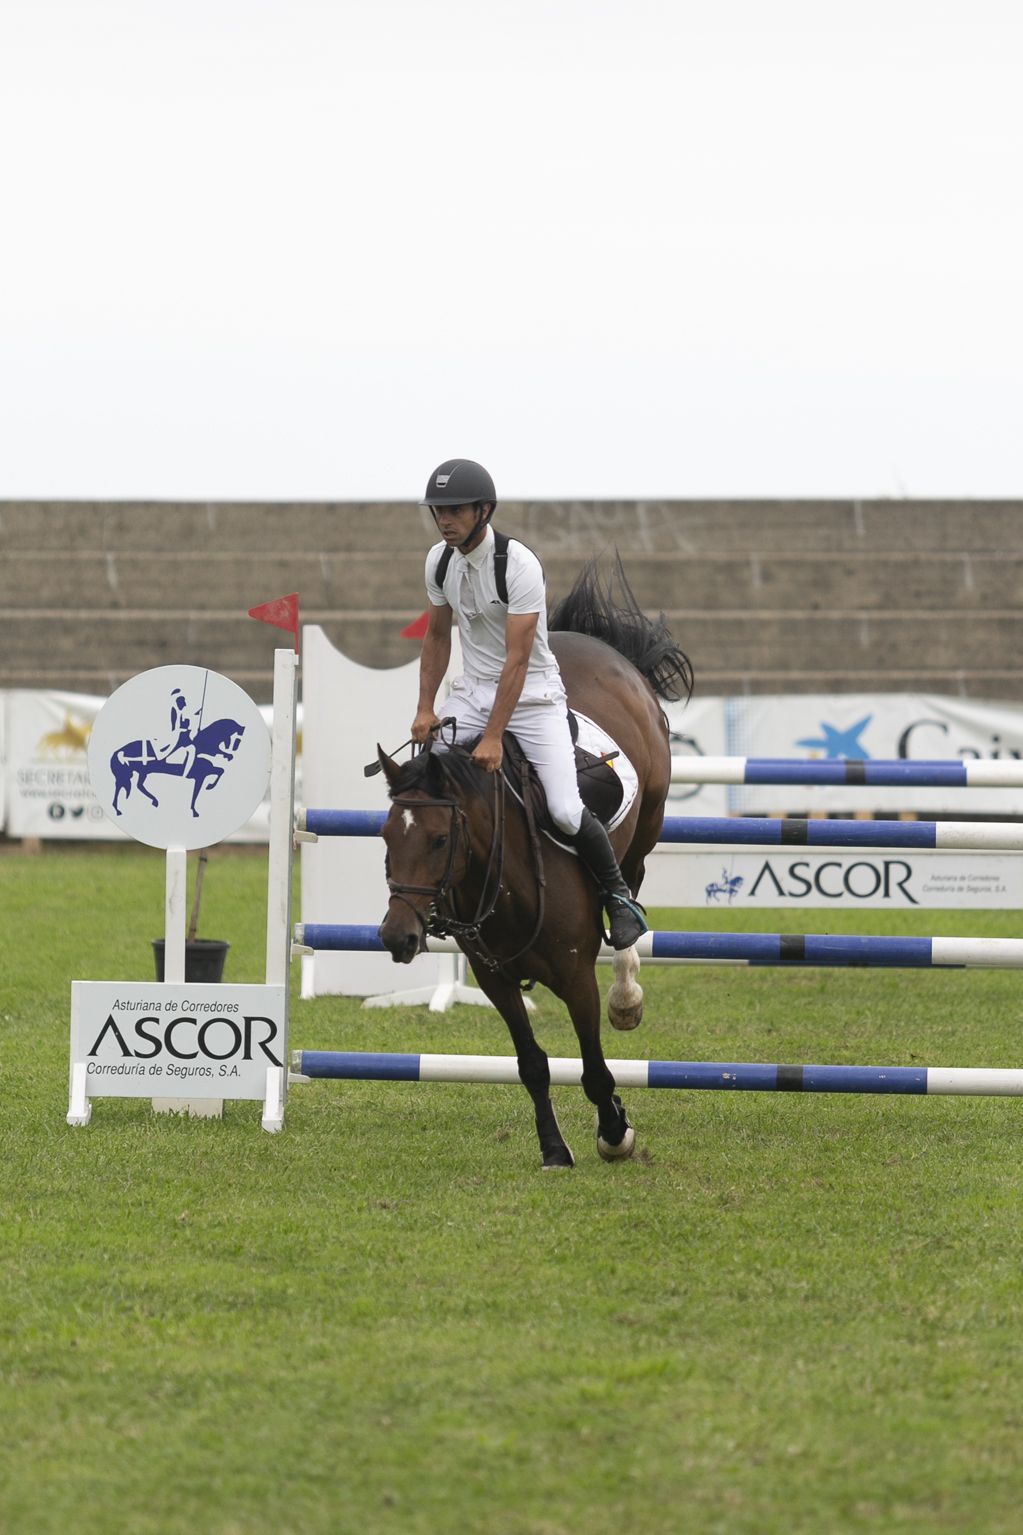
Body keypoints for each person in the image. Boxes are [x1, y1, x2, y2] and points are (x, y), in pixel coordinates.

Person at [411, 457, 647, 950]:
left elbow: (518, 661)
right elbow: (436, 638)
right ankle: (427, 899)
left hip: (534, 697)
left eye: (454, 510)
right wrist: (425, 708)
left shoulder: (518, 565)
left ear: (484, 510)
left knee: (563, 808)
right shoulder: (439, 561)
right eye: (438, 511)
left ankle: (619, 897)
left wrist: (495, 736)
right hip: (472, 692)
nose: (444, 519)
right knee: (423, 793)